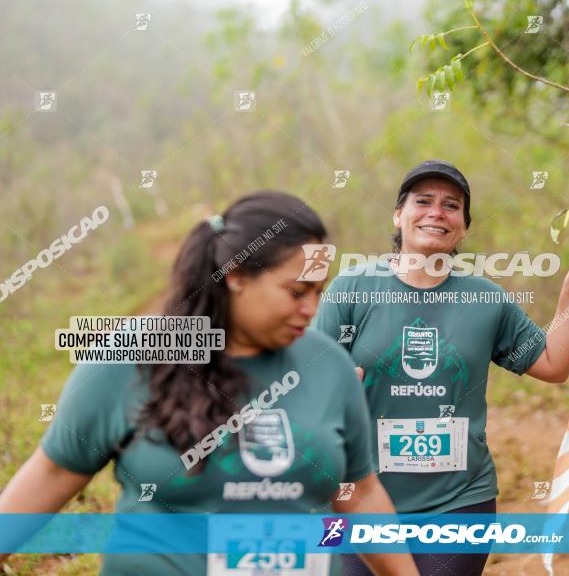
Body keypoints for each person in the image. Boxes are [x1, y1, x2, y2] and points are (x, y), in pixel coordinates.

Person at [0, 191, 418, 576]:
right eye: (296, 291)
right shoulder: (131, 361)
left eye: (319, 292)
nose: (312, 308)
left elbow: (360, 492)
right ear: (236, 276)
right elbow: (53, 473)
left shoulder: (328, 366)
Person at [311, 160, 569, 575]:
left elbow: (552, 364)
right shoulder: (352, 288)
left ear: (463, 226)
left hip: (458, 503)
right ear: (398, 215)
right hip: (358, 499)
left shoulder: (485, 299)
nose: (437, 212)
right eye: (423, 201)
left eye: (451, 205)